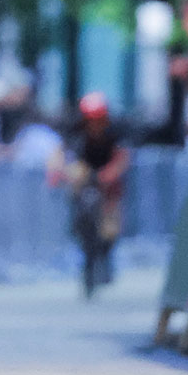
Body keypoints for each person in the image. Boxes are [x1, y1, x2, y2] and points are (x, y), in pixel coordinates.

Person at [51, 93, 129, 300]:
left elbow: (122, 157)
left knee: (110, 227)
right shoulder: (76, 131)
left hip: (107, 183)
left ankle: (105, 256)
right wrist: (57, 172)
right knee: (81, 213)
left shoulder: (114, 131)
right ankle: (84, 249)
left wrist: (109, 174)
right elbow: (60, 152)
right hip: (84, 177)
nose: (94, 124)